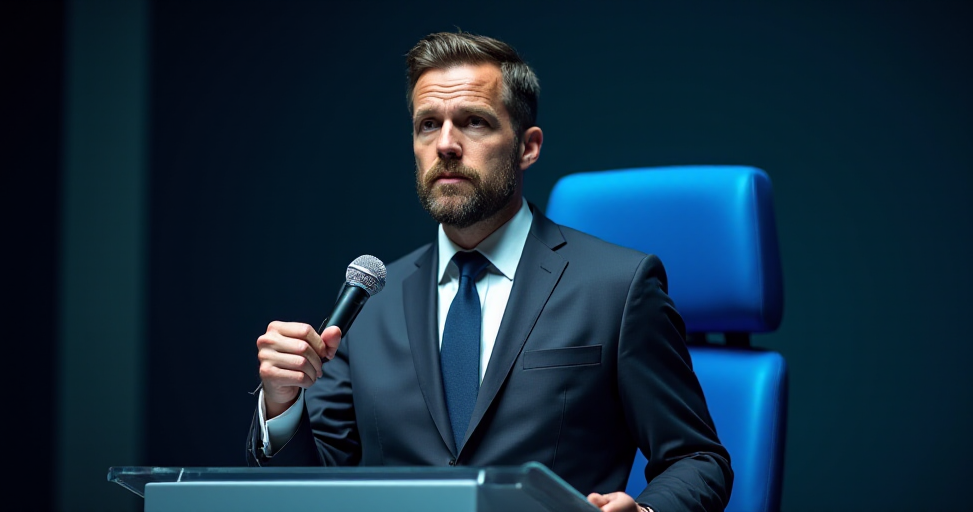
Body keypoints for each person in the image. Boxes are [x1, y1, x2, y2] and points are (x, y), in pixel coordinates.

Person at [247, 32, 732, 512]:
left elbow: (698, 459)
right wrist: (282, 405)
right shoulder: (370, 302)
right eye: (428, 124)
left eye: (474, 122)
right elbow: (312, 486)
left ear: (528, 147)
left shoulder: (619, 288)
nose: (446, 144)